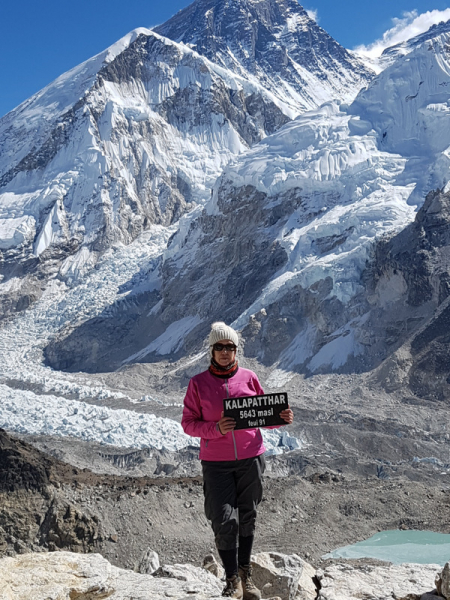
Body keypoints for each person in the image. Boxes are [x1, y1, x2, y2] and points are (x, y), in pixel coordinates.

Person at [182, 322, 294, 600]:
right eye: (219, 347)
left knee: (248, 516)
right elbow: (188, 423)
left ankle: (246, 575)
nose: (224, 352)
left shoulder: (249, 377)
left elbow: (262, 417)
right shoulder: (198, 384)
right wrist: (215, 429)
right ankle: (231, 579)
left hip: (251, 458)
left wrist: (279, 419)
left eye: (229, 347)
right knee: (222, 519)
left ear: (236, 351)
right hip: (216, 462)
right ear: (211, 350)